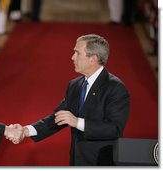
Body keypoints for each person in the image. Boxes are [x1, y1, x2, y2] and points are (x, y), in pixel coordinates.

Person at [9, 34, 130, 166]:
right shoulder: (75, 85)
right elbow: (59, 118)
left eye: (77, 53)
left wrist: (78, 122)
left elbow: (114, 129)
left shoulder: (116, 88)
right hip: (76, 161)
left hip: (101, 162)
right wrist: (26, 131)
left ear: (93, 59)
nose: (72, 57)